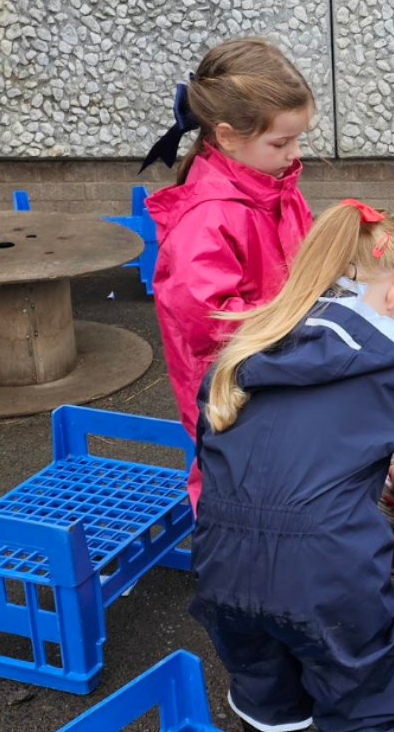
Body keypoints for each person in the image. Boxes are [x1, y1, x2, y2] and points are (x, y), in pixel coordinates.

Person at [190, 200, 394, 732]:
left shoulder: (243, 344)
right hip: (329, 583)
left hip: (221, 569)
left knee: (268, 710)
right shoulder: (393, 362)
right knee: (366, 704)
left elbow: (211, 451)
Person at [142, 37, 316, 508]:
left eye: (298, 138)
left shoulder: (275, 186)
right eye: (281, 141)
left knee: (278, 479)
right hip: (230, 389)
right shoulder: (208, 217)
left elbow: (305, 257)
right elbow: (210, 320)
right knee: (234, 485)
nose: (294, 153)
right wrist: (301, 321)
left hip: (276, 365)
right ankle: (230, 568)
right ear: (225, 135)